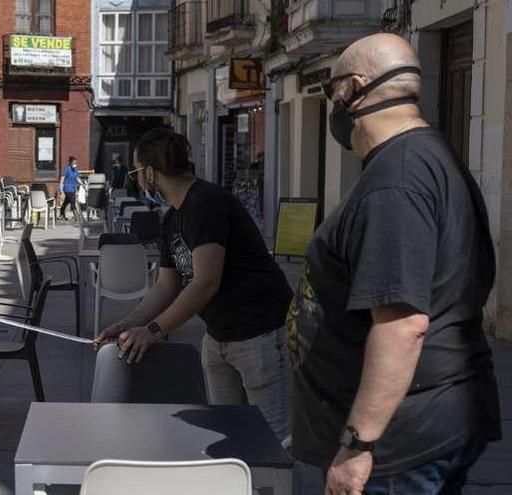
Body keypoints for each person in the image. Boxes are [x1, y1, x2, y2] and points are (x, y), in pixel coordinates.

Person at [286, 33, 501, 495]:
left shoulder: (397, 180)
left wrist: (357, 445)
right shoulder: (426, 160)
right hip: (423, 429)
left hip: (395, 450)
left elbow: (403, 324)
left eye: (330, 92)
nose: (332, 107)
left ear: (354, 87)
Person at [94, 127, 293, 441]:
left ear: (149, 173)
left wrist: (154, 331)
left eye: (135, 171)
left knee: (274, 441)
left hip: (260, 335)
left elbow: (205, 283)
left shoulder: (206, 202)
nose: (136, 179)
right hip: (218, 338)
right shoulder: (173, 217)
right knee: (229, 436)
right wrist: (125, 324)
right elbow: (166, 286)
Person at [59, 156, 83, 221]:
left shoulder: (75, 170)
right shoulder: (66, 170)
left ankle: (61, 213)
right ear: (70, 163)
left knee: (67, 201)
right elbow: (62, 178)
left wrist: (82, 184)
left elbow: (77, 178)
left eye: (76, 163)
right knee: (73, 201)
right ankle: (76, 217)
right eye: (74, 163)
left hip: (73, 188)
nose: (75, 164)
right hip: (67, 188)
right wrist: (60, 187)